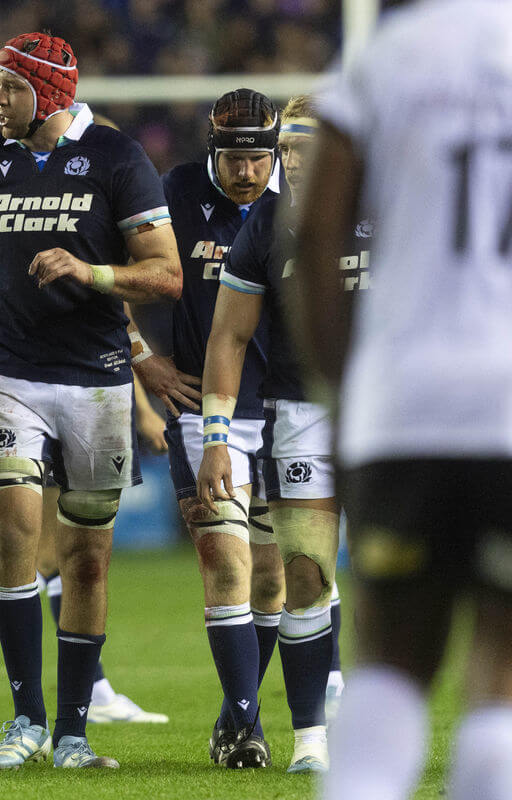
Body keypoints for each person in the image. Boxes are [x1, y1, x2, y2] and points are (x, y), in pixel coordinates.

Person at [0, 32, 181, 770]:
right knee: (12, 538)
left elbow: (166, 275)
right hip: (8, 376)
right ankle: (26, 723)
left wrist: (92, 272)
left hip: (98, 376)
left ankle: (74, 734)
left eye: (10, 88)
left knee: (86, 561)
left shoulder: (116, 158)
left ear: (50, 92)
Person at [293, 4, 512, 798]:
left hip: (406, 406)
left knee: (390, 663)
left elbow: (319, 234)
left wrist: (343, 390)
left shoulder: (384, 59)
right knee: (504, 668)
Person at [196, 94, 371, 773]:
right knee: (307, 569)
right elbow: (229, 334)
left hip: (388, 413)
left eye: (308, 148)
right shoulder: (267, 224)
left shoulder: (393, 209)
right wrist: (216, 432)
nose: (294, 163)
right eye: (287, 151)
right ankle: (311, 740)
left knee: (407, 571)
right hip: (303, 413)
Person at [131, 88, 286, 768]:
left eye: (258, 159)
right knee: (226, 559)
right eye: (234, 160)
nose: (246, 172)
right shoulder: (174, 192)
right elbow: (115, 273)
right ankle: (250, 730)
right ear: (212, 150)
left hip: (287, 410)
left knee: (275, 580)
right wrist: (145, 360)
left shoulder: (299, 203)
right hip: (205, 407)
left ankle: (232, 715)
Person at [0, 402, 172, 728]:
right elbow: (124, 349)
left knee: (59, 554)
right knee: (49, 555)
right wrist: (146, 411)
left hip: (50, 401)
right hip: (47, 403)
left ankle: (96, 691)